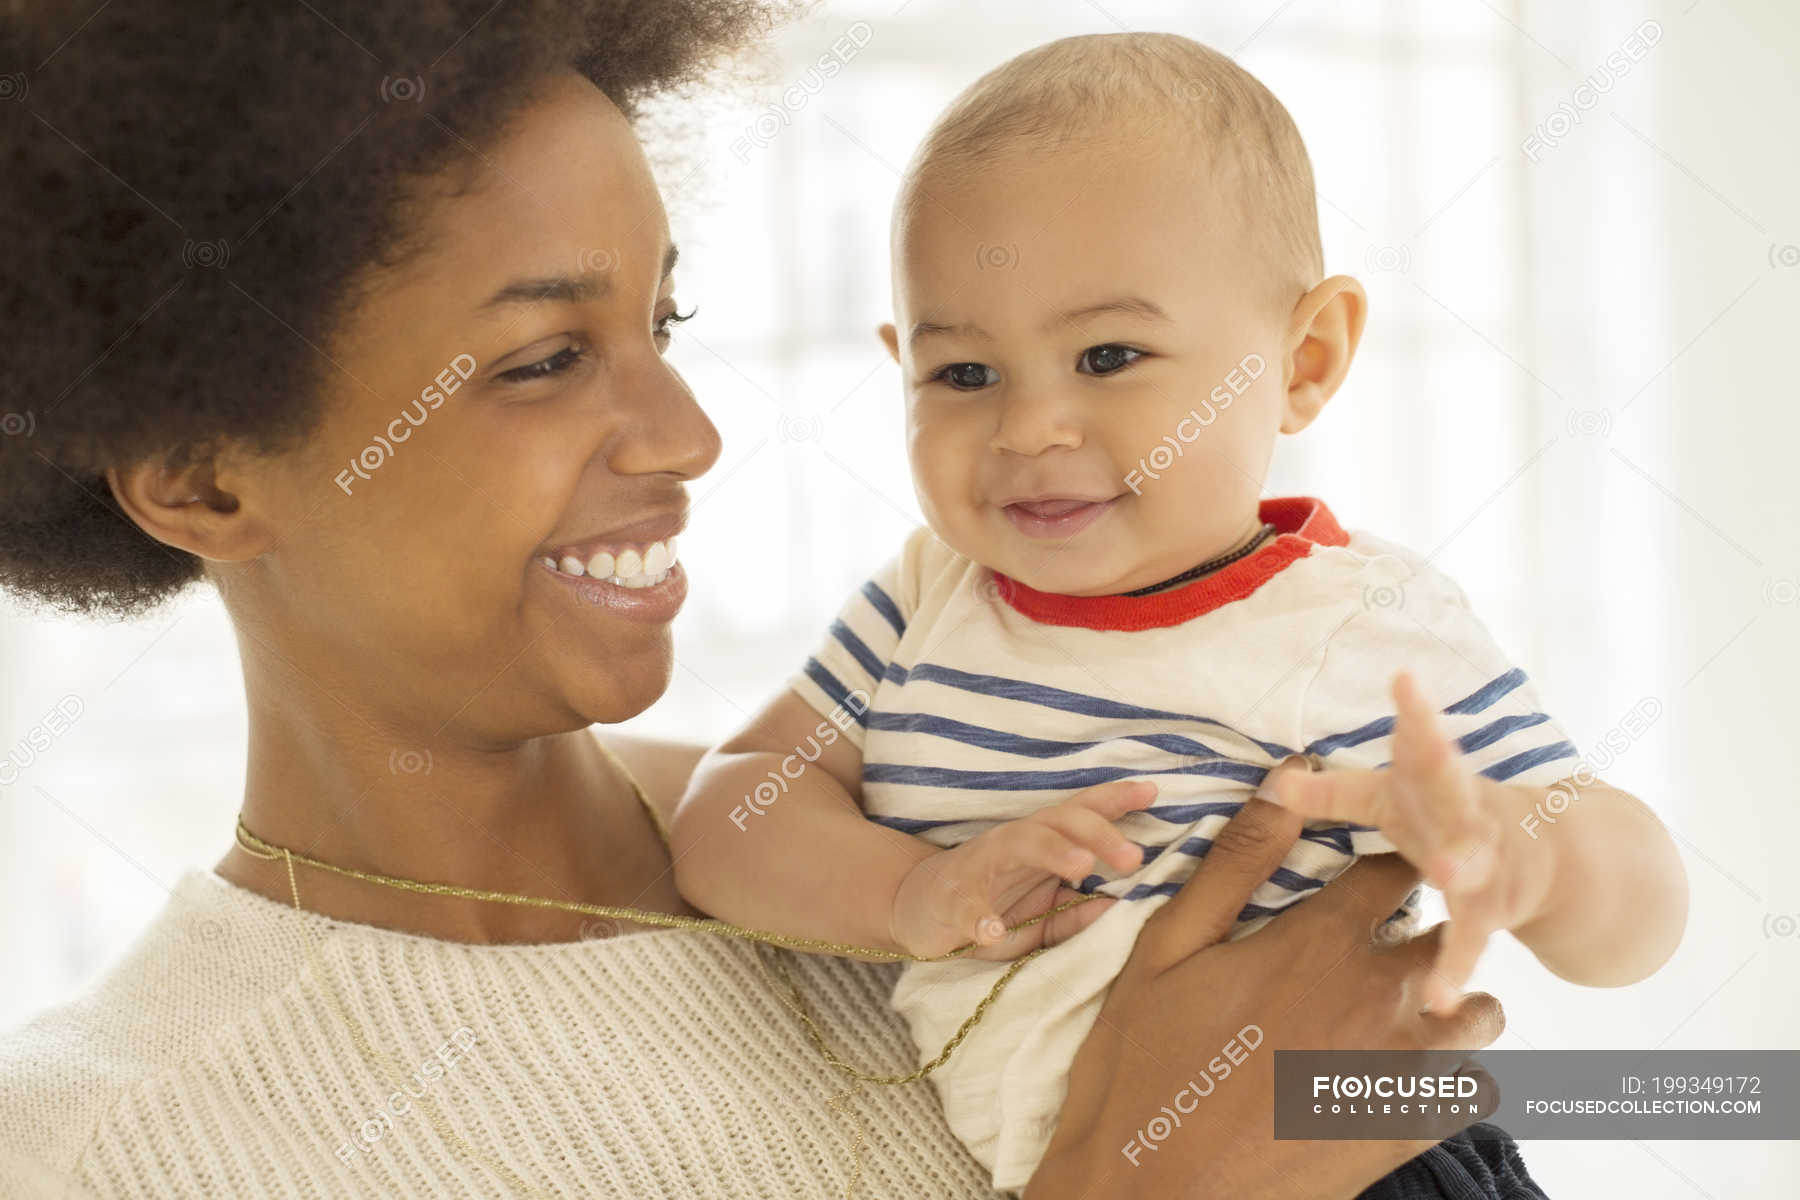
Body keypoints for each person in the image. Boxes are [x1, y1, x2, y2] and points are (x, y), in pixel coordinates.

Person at [0, 5, 1519, 1196]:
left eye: (663, 320)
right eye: (543, 360)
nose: (688, 436)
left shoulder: (934, 807)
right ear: (203, 477)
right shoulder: (113, 1149)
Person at [670, 32, 1688, 1196]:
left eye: (1108, 355)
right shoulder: (924, 600)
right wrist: (903, 893)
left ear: (1303, 360)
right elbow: (731, 813)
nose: (1028, 428)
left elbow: (1643, 907)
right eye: (963, 374)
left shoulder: (1357, 628)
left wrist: (1530, 856)